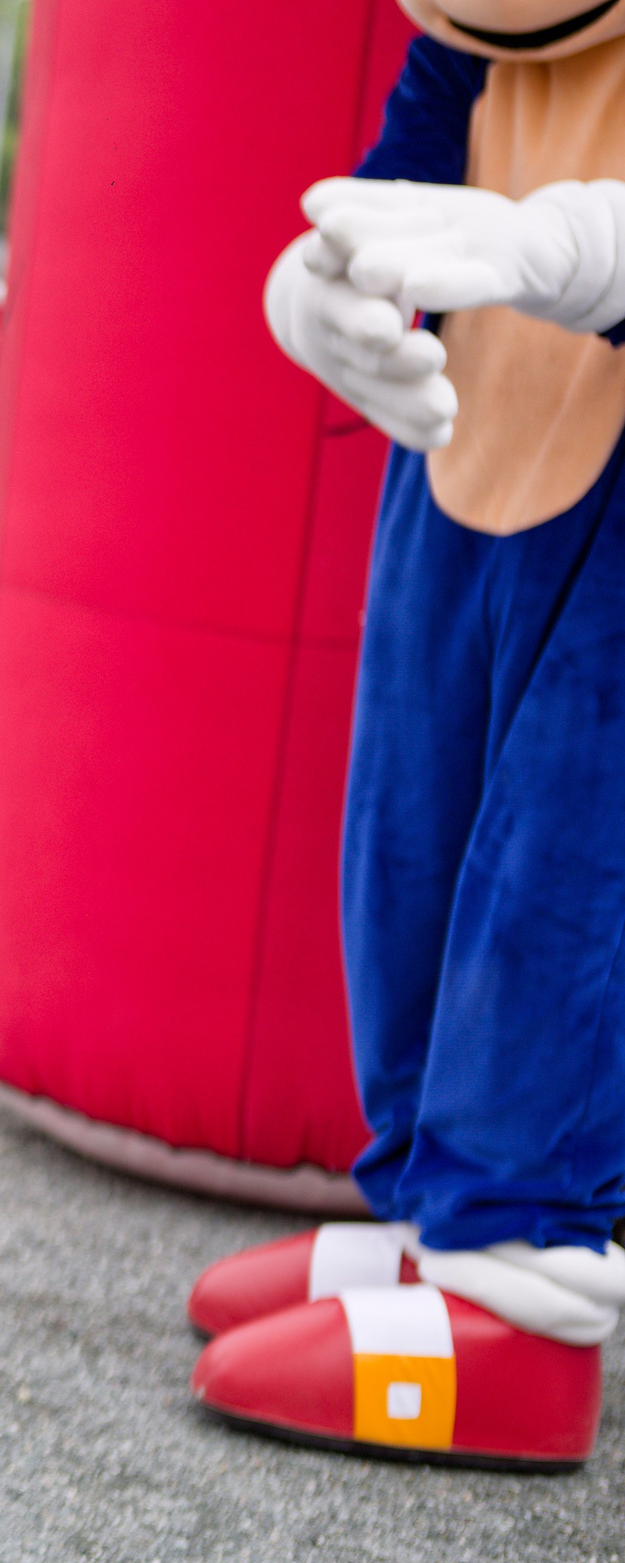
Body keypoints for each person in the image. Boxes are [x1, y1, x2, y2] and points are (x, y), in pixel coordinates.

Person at [186, 4, 625, 1468]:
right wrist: (313, 298)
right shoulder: (471, 43)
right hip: (471, 460)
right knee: (411, 846)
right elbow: (397, 176)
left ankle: (530, 1291)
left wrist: (556, 250)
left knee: (561, 877)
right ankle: (440, 1221)